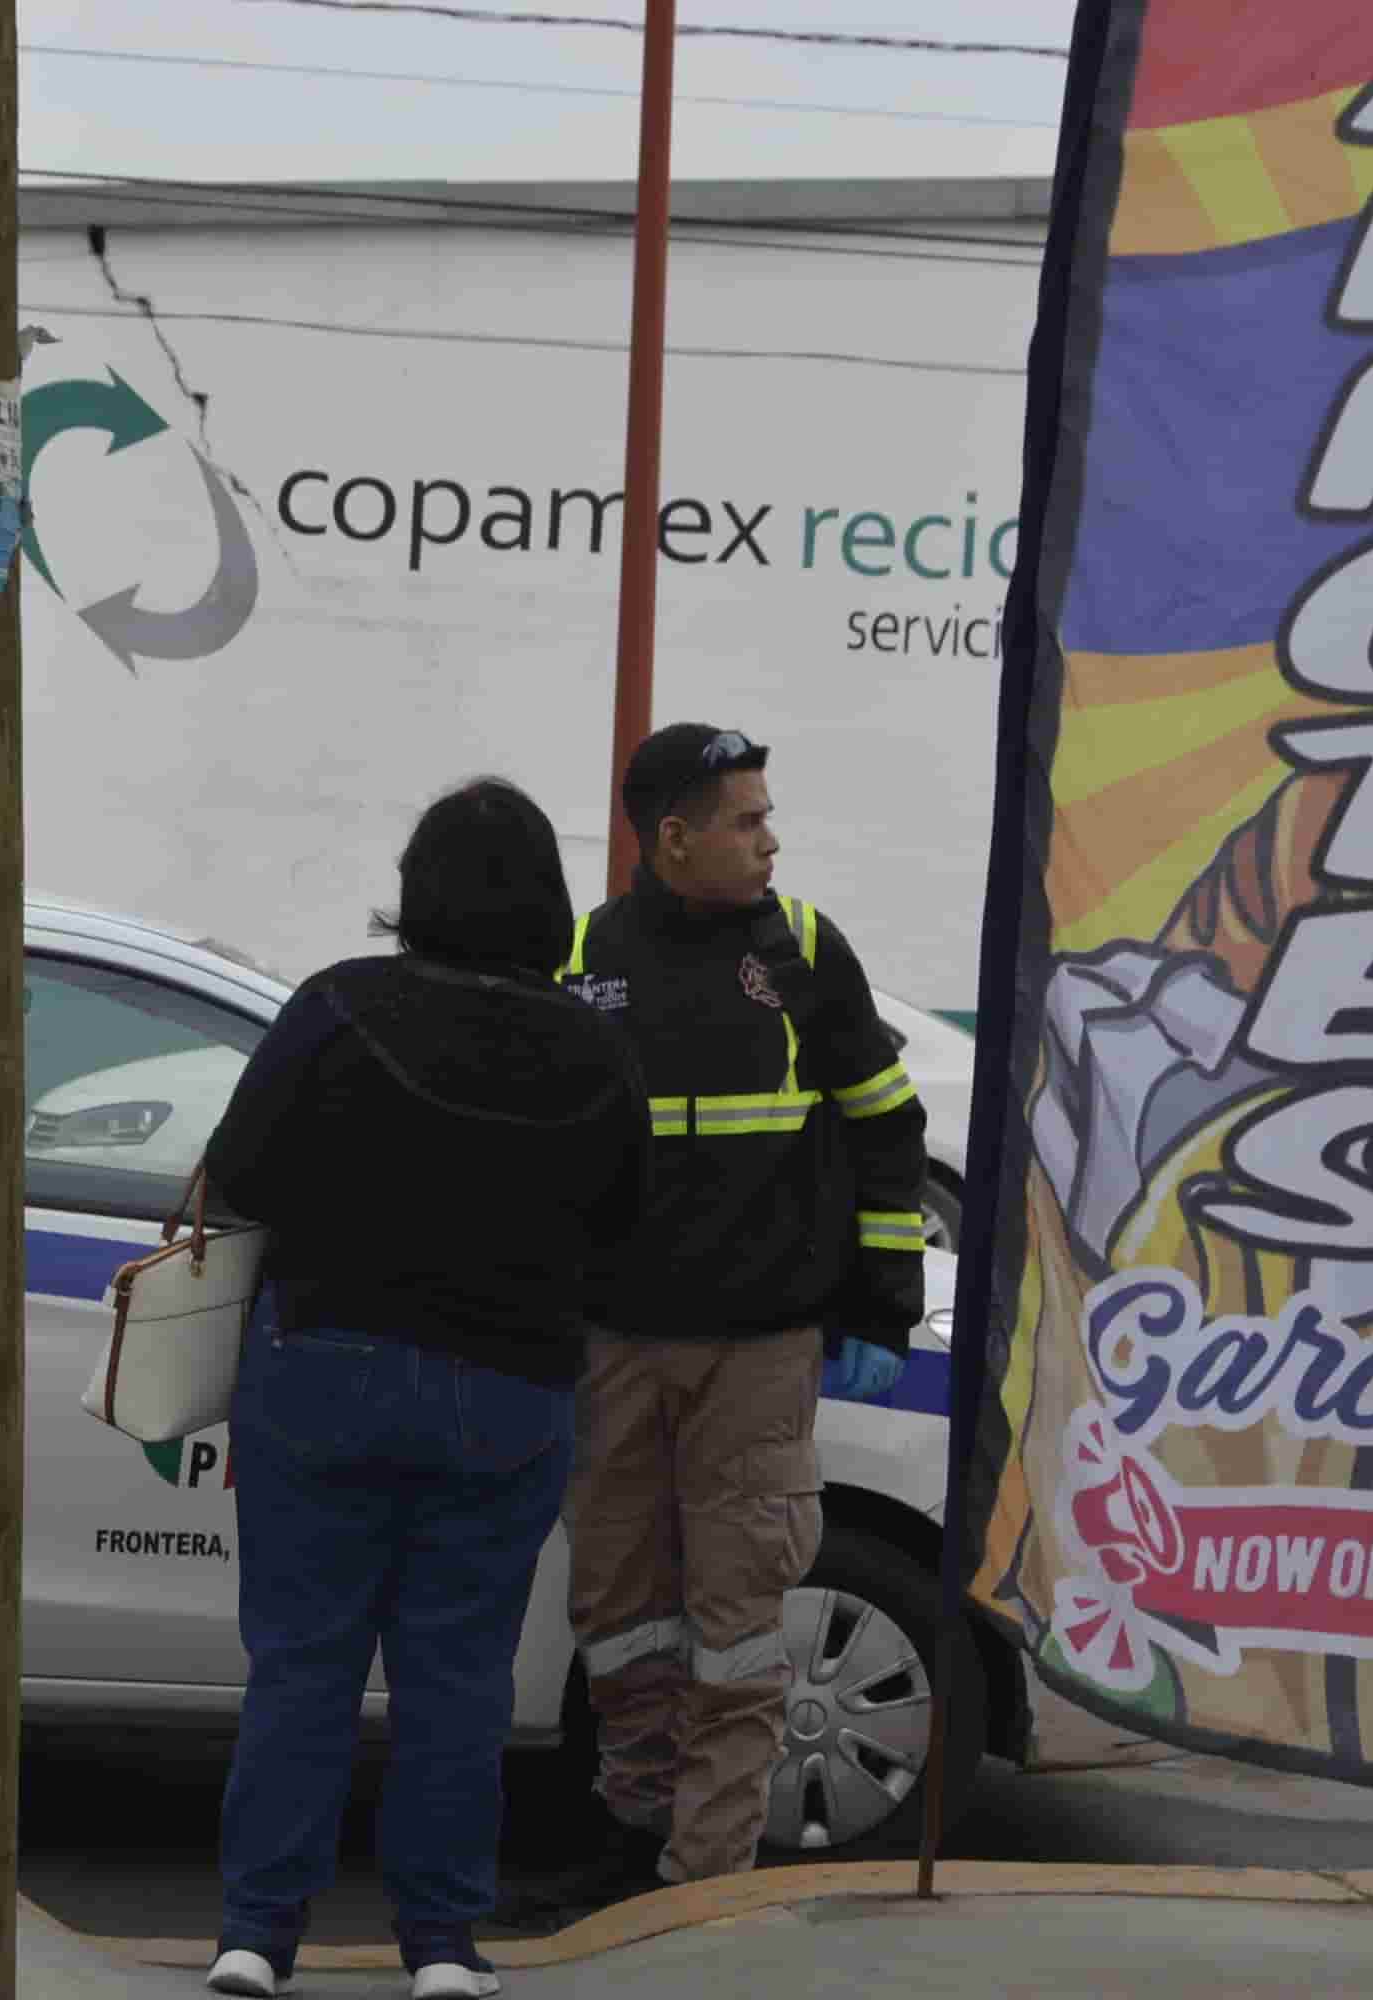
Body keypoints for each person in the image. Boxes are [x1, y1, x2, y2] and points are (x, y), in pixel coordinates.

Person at [194, 778, 651, 2000]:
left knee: (301, 1662)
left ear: (415, 889)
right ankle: (442, 1946)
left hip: (325, 1366)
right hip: (506, 1390)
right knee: (457, 1678)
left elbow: (235, 1174)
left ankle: (254, 1933)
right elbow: (622, 1236)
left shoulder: (336, 1004)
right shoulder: (595, 1050)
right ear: (548, 902)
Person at [526, 723, 926, 1911]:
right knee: (621, 1615)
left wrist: (881, 1305)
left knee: (740, 1625)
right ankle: (633, 1837)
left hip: (757, 1352)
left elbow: (885, 1127)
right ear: (671, 838)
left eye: (765, 816)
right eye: (744, 821)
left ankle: (705, 1885)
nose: (769, 840)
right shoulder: (584, 958)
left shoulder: (802, 947)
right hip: (615, 1347)